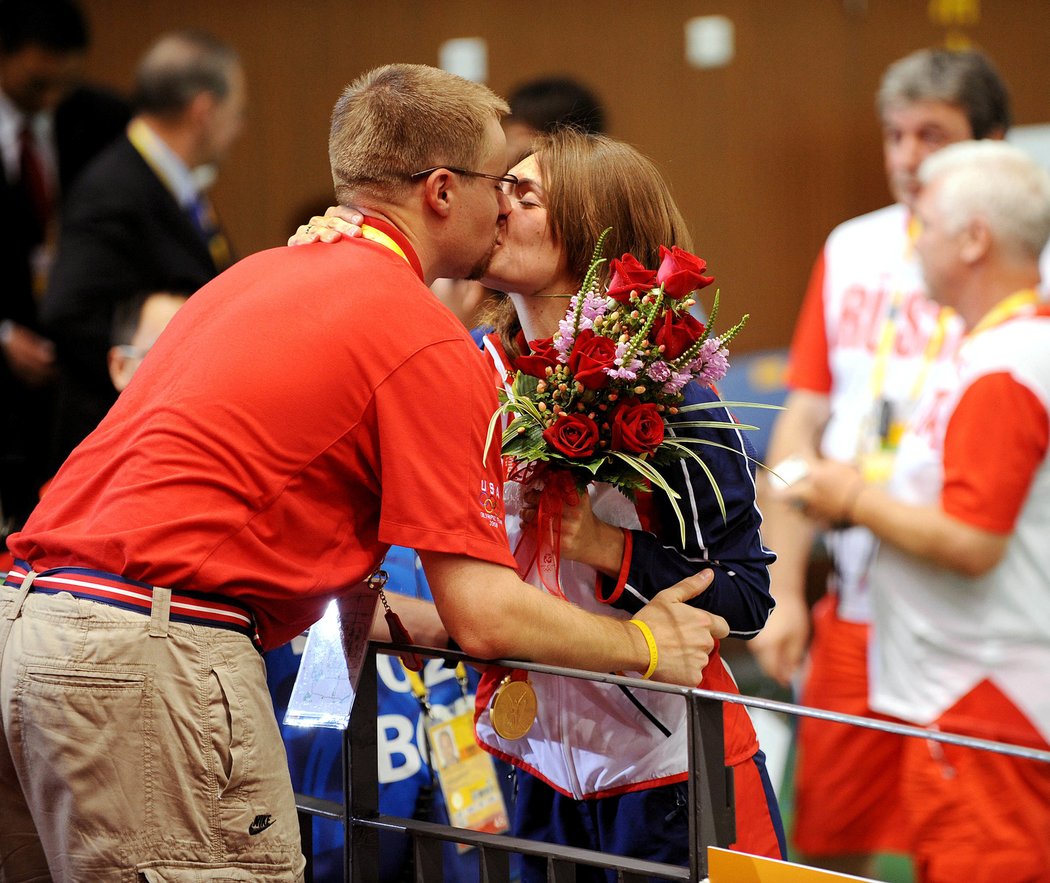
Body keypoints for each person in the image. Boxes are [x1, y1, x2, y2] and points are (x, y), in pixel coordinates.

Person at [0, 63, 726, 882]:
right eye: (501, 181)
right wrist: (640, 642)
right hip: (151, 655)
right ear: (445, 192)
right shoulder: (420, 335)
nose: (507, 204)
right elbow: (485, 615)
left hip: (27, 629)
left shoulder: (252, 275)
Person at [294, 127, 784, 880]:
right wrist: (337, 252)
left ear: (596, 231)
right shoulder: (469, 372)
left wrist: (612, 553)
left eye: (523, 195)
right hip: (536, 770)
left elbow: (748, 596)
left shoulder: (675, 393)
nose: (496, 206)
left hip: (673, 776)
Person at [751, 48, 1018, 876]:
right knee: (830, 847)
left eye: (931, 135)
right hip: (857, 608)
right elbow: (800, 428)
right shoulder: (852, 248)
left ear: (993, 143)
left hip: (977, 611)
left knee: (972, 844)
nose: (906, 157)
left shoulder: (1017, 272)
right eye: (894, 135)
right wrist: (784, 587)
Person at [785, 139, 1050, 883]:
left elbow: (973, 539)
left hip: (986, 694)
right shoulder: (997, 349)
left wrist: (853, 499)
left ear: (974, 239)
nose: (913, 240)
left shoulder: (1005, 367)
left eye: (926, 224)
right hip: (974, 690)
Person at [40, 29, 244, 471]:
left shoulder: (169, 180)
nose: (238, 129)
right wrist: (162, 378)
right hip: (115, 451)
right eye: (236, 113)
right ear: (204, 111)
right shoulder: (114, 187)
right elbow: (69, 313)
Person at [0, 0, 129, 532]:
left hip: (72, 362)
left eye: (64, 83)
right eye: (36, 85)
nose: (51, 99)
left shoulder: (100, 116)